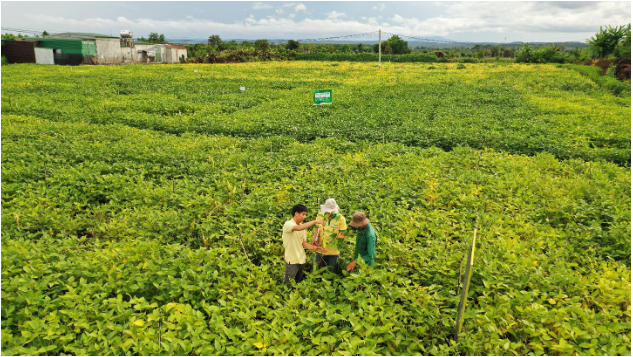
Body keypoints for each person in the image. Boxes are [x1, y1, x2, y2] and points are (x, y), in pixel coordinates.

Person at [283, 204, 325, 285]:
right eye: (303, 214)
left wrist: (315, 248)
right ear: (296, 214)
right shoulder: (288, 224)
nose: (305, 217)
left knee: (298, 282)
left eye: (305, 214)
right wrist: (315, 221)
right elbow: (299, 228)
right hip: (291, 261)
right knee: (287, 284)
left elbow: (304, 244)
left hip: (301, 260)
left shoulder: (302, 228)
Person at [312, 198, 347, 273]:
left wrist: (333, 241)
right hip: (320, 249)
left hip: (333, 252)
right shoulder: (320, 215)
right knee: (317, 271)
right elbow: (317, 228)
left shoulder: (341, 219)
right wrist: (314, 238)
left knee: (331, 272)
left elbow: (342, 236)